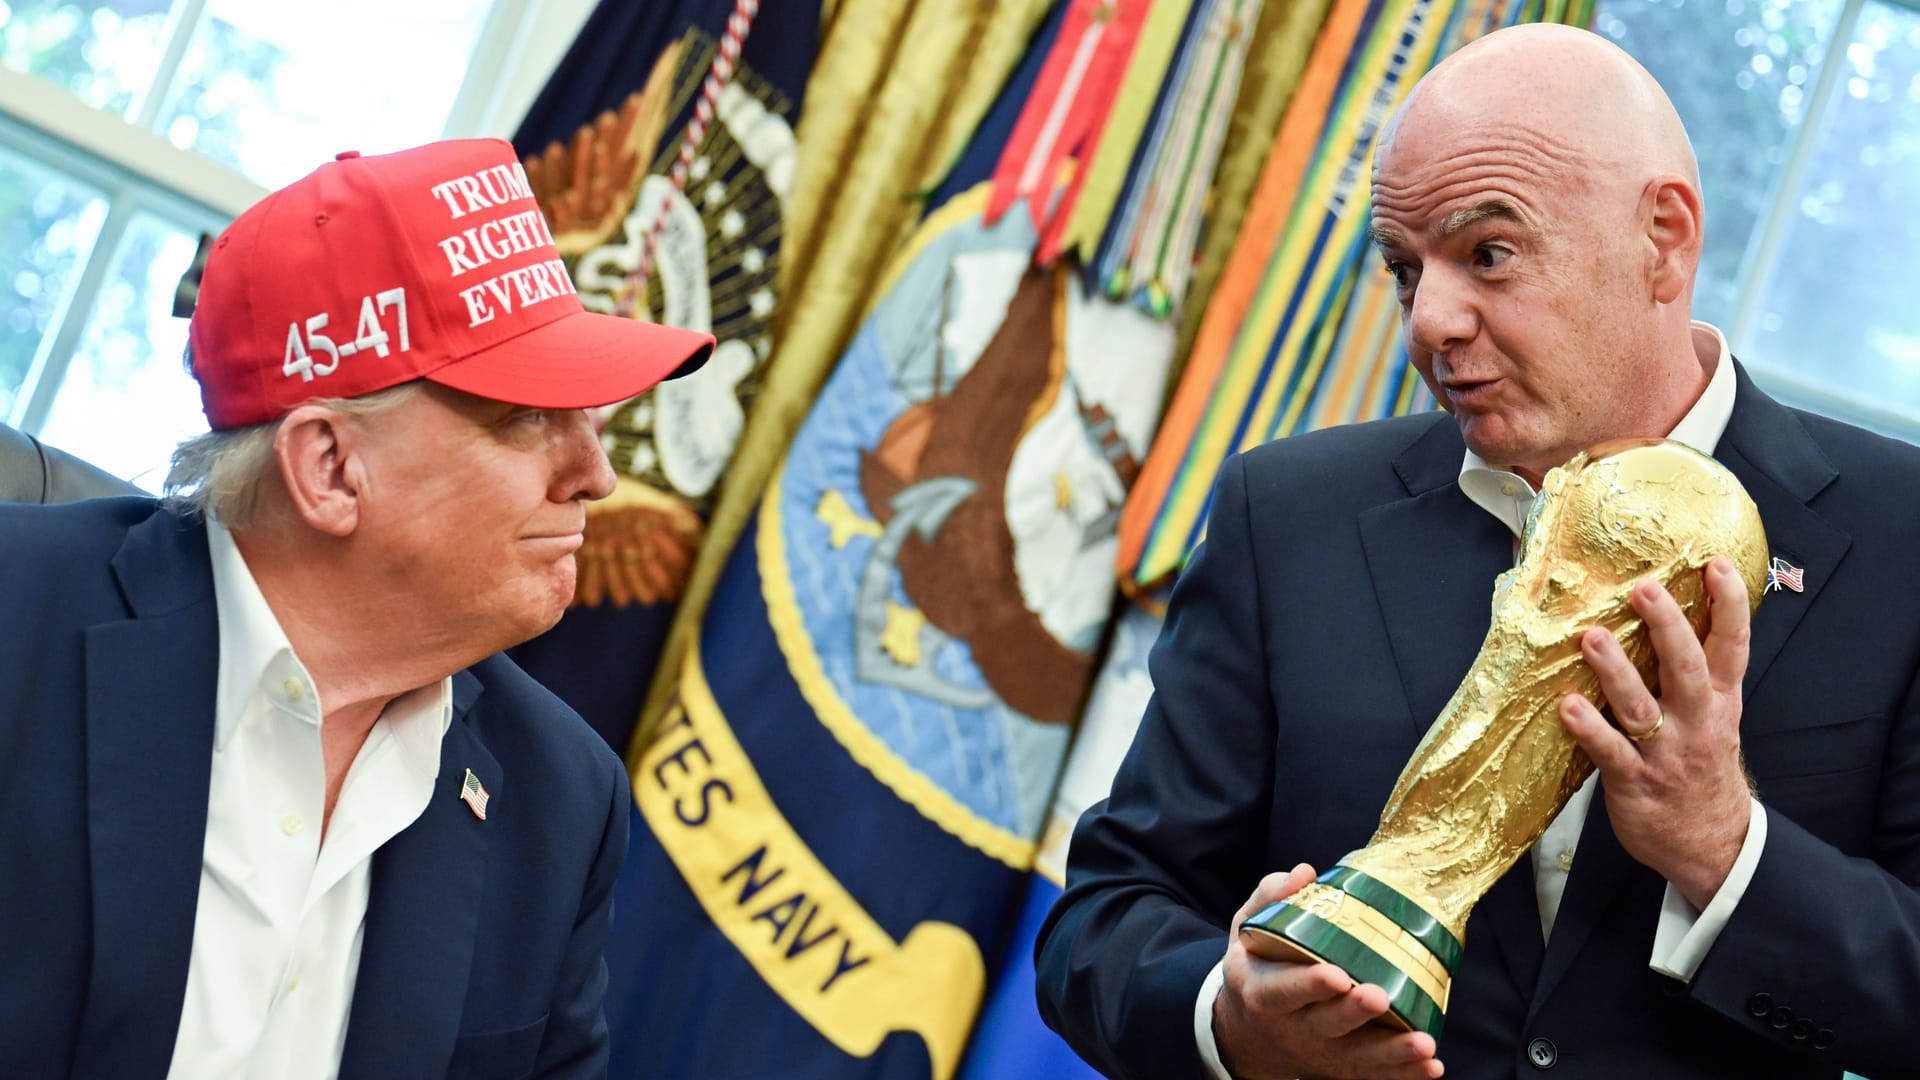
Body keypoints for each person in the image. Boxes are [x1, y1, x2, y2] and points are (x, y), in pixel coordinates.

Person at [1035, 24, 1920, 1080]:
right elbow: (1104, 917)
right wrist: (1230, 1022)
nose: (1430, 322)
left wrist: (1724, 849)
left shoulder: (1903, 541)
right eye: (1405, 270)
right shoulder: (1288, 513)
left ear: (1664, 239)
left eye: (1488, 253)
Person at [0, 138, 714, 1078]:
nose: (596, 474)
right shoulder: (17, 619)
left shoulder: (563, 798)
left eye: (587, 418)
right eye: (527, 419)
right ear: (330, 468)